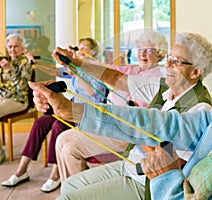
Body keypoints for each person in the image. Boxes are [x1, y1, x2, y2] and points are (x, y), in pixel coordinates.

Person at [31, 23, 212, 199]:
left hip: (150, 181)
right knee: (68, 179)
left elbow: (170, 157)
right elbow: (153, 118)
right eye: (168, 57)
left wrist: (162, 170)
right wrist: (70, 105)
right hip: (139, 168)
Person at [54, 30, 168, 182]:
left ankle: (77, 193)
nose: (142, 54)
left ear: (159, 54)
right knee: (61, 140)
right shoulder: (132, 69)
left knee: (70, 150)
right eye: (140, 50)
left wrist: (78, 63)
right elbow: (106, 70)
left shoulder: (158, 76)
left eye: (148, 50)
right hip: (107, 122)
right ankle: (71, 191)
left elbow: (145, 110)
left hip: (127, 130)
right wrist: (76, 60)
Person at [1, 37, 107, 193]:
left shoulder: (97, 69)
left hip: (87, 112)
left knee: (58, 125)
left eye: (85, 48)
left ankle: (55, 174)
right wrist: (35, 62)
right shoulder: (78, 66)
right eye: (80, 47)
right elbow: (56, 71)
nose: (80, 50)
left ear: (93, 52)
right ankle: (21, 170)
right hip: (72, 106)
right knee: (41, 122)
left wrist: (76, 73)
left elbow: (93, 94)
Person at [0, 34, 34, 164]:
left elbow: (22, 87)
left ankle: (0, 153)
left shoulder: (25, 62)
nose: (13, 49)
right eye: (10, 46)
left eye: (16, 46)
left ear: (21, 48)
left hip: (19, 100)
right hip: (4, 98)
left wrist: (9, 70)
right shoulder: (5, 60)